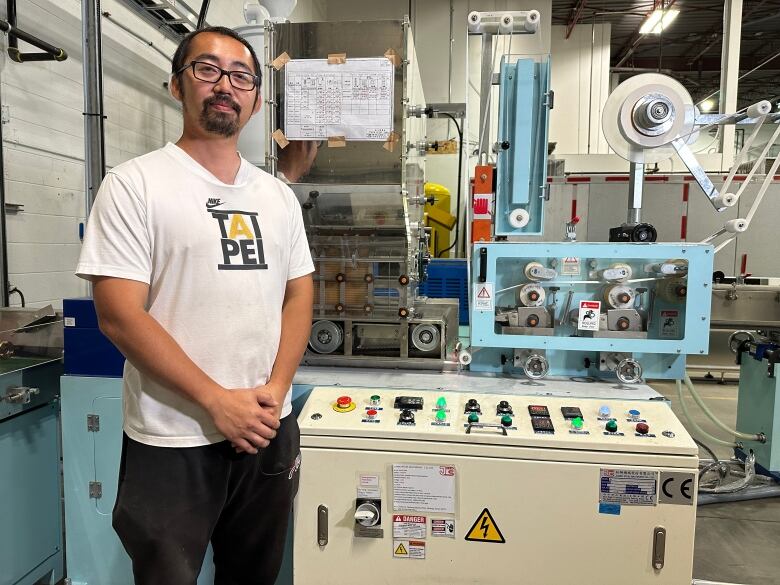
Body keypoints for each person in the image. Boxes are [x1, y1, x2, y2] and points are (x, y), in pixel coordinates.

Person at [76, 25, 314, 585]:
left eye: (240, 75)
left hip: (264, 430)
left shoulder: (277, 196)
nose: (224, 85)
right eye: (207, 70)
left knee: (254, 575)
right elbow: (118, 314)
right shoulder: (135, 185)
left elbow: (299, 293)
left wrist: (274, 396)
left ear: (255, 99)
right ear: (176, 85)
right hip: (172, 437)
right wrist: (215, 401)